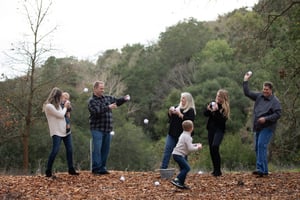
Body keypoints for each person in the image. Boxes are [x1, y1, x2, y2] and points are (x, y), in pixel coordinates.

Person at [243, 72, 281, 177]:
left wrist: (266, 118)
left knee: (261, 145)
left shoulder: (275, 101)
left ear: (271, 90)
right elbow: (247, 93)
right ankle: (264, 170)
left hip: (268, 126)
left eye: (267, 90)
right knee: (257, 147)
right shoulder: (259, 96)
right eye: (264, 89)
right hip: (257, 126)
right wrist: (245, 80)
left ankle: (260, 168)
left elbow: (278, 114)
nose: (264, 91)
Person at [88, 81, 130, 175]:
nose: (103, 90)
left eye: (103, 88)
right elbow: (96, 112)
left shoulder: (107, 98)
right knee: (97, 149)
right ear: (95, 89)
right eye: (101, 88)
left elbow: (116, 102)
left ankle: (102, 168)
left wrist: (124, 99)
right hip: (97, 128)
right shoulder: (92, 101)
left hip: (108, 128)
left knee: (105, 149)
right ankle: (96, 169)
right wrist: (108, 107)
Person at [43, 87, 79, 177]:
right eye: (60, 97)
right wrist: (65, 108)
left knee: (70, 150)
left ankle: (71, 169)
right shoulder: (48, 106)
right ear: (56, 96)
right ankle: (48, 170)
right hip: (56, 131)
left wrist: (68, 107)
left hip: (65, 130)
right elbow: (60, 115)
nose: (61, 99)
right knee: (55, 151)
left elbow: (66, 114)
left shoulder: (58, 105)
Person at [160, 92, 196, 169]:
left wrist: (180, 114)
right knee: (168, 150)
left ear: (188, 100)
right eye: (181, 97)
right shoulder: (177, 107)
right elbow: (171, 120)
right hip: (172, 133)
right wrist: (170, 113)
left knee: (183, 153)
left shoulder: (190, 110)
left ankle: (183, 170)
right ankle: (163, 168)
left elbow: (189, 122)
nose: (181, 99)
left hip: (183, 135)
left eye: (183, 98)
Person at [203, 89, 230, 177]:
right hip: (211, 129)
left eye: (219, 96)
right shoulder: (212, 104)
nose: (217, 98)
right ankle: (215, 170)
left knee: (215, 146)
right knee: (211, 149)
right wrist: (209, 109)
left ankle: (218, 170)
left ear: (223, 98)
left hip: (219, 130)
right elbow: (205, 114)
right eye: (217, 95)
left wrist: (216, 111)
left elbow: (222, 121)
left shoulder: (224, 108)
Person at [171, 120, 202, 189]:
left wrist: (195, 144)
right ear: (191, 128)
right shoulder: (188, 137)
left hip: (176, 154)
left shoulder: (183, 134)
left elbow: (188, 145)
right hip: (179, 155)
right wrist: (198, 148)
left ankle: (181, 184)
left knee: (183, 169)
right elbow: (190, 149)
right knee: (187, 168)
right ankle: (176, 180)